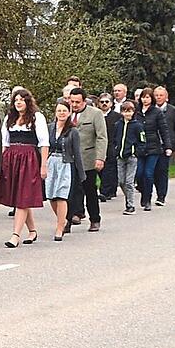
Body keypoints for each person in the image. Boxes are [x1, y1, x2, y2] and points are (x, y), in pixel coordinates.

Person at [0, 88, 49, 246]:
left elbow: (44, 143)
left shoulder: (37, 117)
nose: (18, 103)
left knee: (23, 197)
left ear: (27, 102)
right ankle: (32, 231)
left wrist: (43, 165)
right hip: (11, 158)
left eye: (21, 100)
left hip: (29, 158)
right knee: (19, 197)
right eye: (16, 100)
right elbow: (4, 142)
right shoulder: (10, 118)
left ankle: (15, 235)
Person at [66, 87, 107, 232]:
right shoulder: (65, 112)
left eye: (78, 102)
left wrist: (100, 158)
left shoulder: (95, 114)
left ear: (84, 101)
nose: (75, 105)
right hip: (69, 159)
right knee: (69, 191)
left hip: (87, 159)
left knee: (89, 190)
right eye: (72, 102)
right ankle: (68, 220)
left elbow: (102, 137)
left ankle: (95, 219)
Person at [45, 101, 85, 239]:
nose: (61, 113)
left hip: (65, 164)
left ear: (69, 113)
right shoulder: (49, 128)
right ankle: (63, 219)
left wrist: (81, 173)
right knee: (51, 195)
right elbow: (44, 147)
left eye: (64, 111)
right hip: (51, 163)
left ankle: (59, 227)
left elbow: (77, 153)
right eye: (59, 111)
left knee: (62, 195)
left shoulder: (73, 131)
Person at [136, 88, 172, 211]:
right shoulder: (136, 112)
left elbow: (164, 130)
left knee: (148, 173)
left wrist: (168, 146)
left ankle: (147, 199)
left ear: (151, 99)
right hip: (140, 148)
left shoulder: (157, 112)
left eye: (147, 97)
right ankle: (143, 192)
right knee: (139, 173)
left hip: (153, 148)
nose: (145, 100)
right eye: (143, 97)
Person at [153, 86, 175, 206]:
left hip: (166, 146)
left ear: (166, 97)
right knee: (151, 172)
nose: (159, 97)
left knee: (162, 171)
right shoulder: (150, 110)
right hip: (152, 145)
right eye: (156, 95)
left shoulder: (173, 110)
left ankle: (161, 196)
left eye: (161, 95)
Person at [112, 101, 143, 214]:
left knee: (129, 182)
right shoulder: (118, 125)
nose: (127, 114)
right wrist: (116, 150)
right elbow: (115, 139)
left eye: (129, 111)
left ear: (133, 112)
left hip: (131, 157)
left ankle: (130, 205)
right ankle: (128, 198)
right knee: (121, 181)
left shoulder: (137, 126)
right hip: (120, 157)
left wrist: (136, 152)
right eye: (124, 111)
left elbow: (142, 141)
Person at [97, 93, 121, 202]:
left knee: (109, 169)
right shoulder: (96, 115)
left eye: (106, 102)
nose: (104, 104)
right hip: (99, 145)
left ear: (111, 103)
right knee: (100, 170)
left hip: (111, 145)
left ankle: (105, 192)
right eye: (102, 102)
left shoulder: (117, 116)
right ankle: (109, 189)